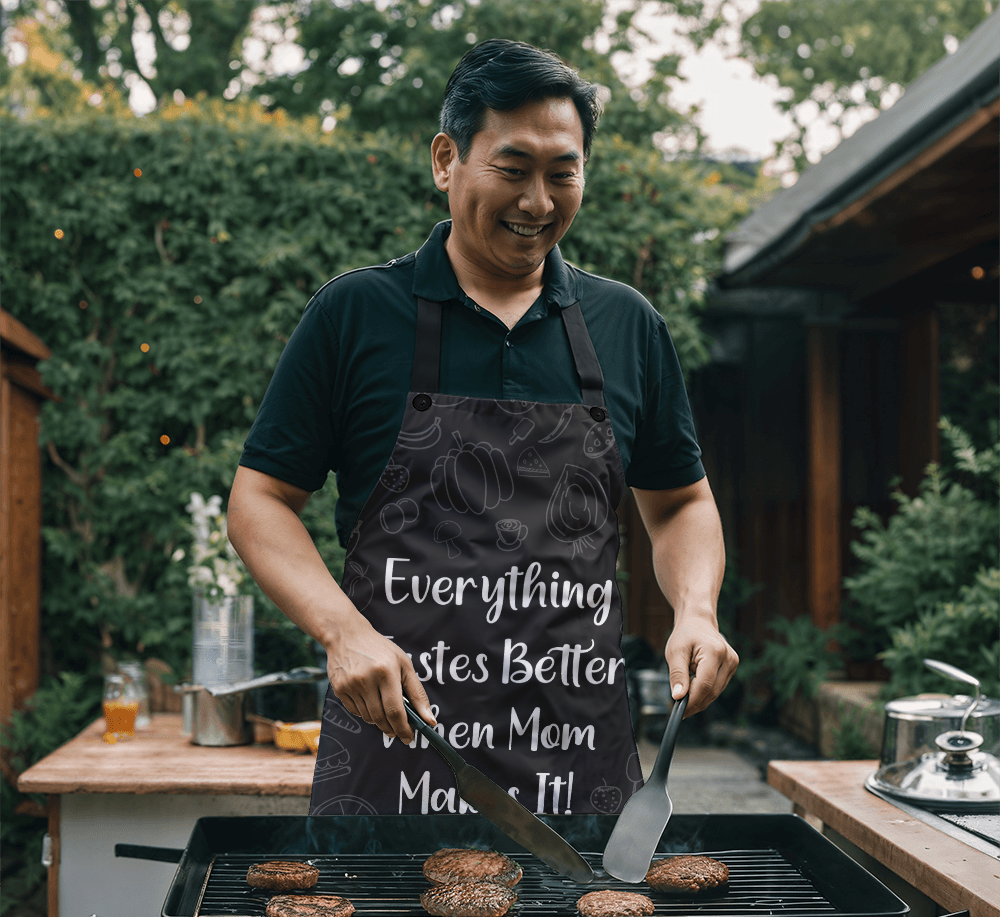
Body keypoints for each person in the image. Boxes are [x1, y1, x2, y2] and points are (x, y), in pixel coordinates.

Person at [228, 39, 738, 817]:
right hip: (393, 762)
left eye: (562, 172)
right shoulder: (355, 315)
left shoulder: (626, 325)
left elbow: (679, 504)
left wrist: (696, 610)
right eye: (513, 167)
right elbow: (260, 499)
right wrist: (343, 633)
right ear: (446, 160)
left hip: (579, 773)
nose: (539, 200)